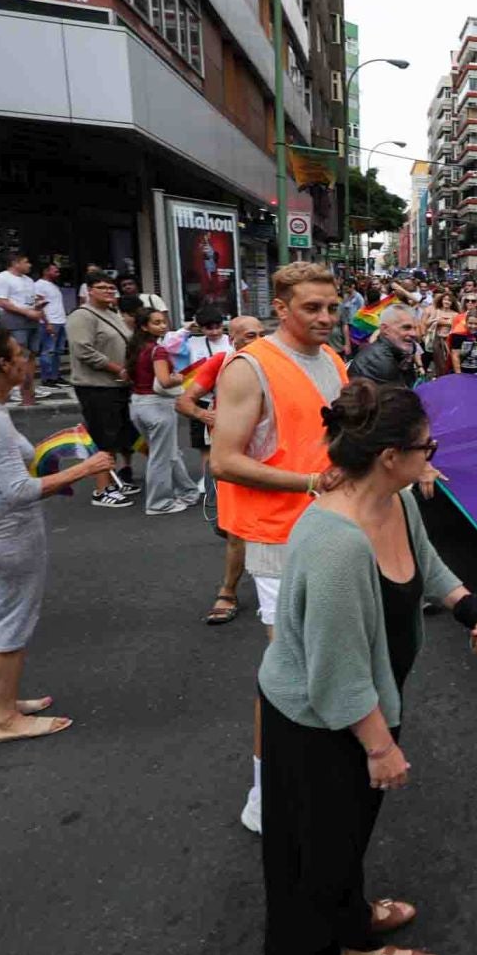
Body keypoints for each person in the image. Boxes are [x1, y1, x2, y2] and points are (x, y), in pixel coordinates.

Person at [257, 380, 477, 955]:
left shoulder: (397, 500)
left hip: (358, 702)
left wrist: (474, 611)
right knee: (325, 837)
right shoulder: (336, 545)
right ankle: (346, 954)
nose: (432, 455)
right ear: (391, 456)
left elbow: (429, 564)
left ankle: (349, 912)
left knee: (343, 830)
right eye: (427, 446)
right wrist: (381, 747)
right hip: (320, 720)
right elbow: (335, 677)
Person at [213, 263, 351, 834]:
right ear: (282, 308)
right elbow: (224, 459)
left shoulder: (334, 360)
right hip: (276, 540)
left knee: (324, 665)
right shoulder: (250, 367)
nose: (324, 317)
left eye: (331, 307)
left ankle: (309, 777)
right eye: (311, 308)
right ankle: (265, 796)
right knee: (290, 672)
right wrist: (310, 484)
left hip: (328, 533)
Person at [0, 325, 115, 743]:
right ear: (2, 365)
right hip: (7, 533)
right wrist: (84, 468)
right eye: (19, 353)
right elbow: (17, 491)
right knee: (12, 626)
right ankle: (5, 722)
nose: (27, 359)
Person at [177, 315, 264, 625]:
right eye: (251, 335)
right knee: (235, 531)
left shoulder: (275, 363)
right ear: (234, 338)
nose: (258, 340)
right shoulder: (221, 362)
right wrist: (207, 416)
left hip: (272, 459)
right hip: (233, 459)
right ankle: (227, 592)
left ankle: (282, 591)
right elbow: (185, 402)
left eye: (262, 334)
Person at [65, 271, 138, 507]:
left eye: (110, 287)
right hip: (95, 386)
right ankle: (102, 489)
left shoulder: (112, 313)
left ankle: (113, 480)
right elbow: (83, 350)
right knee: (103, 436)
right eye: (102, 287)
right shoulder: (82, 316)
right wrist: (117, 368)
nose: (108, 291)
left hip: (118, 386)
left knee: (117, 434)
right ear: (89, 290)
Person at [127, 306, 202, 516]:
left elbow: (127, 375)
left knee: (169, 452)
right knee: (161, 457)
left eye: (163, 322)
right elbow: (165, 381)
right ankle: (159, 503)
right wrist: (178, 378)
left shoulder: (136, 347)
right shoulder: (157, 350)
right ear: (144, 326)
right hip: (157, 405)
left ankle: (188, 491)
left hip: (138, 404)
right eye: (156, 323)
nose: (162, 326)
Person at [0, 253, 43, 408]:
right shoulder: (2, 278)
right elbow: (1, 301)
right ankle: (18, 391)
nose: (29, 265)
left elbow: (33, 300)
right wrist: (26, 312)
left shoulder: (28, 280)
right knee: (19, 355)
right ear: (15, 263)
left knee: (32, 355)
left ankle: (29, 393)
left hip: (32, 318)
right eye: (26, 262)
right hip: (15, 319)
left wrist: (39, 309)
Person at [349, 303, 421, 387]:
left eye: (415, 328)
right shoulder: (378, 361)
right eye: (406, 327)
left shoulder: (403, 350)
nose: (414, 334)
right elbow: (397, 396)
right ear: (385, 329)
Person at [34, 260, 69, 395]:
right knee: (48, 350)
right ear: (46, 271)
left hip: (60, 321)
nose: (58, 272)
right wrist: (46, 322)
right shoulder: (39, 285)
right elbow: (39, 305)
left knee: (58, 351)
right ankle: (46, 378)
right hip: (50, 322)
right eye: (55, 270)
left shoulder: (53, 285)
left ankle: (55, 376)